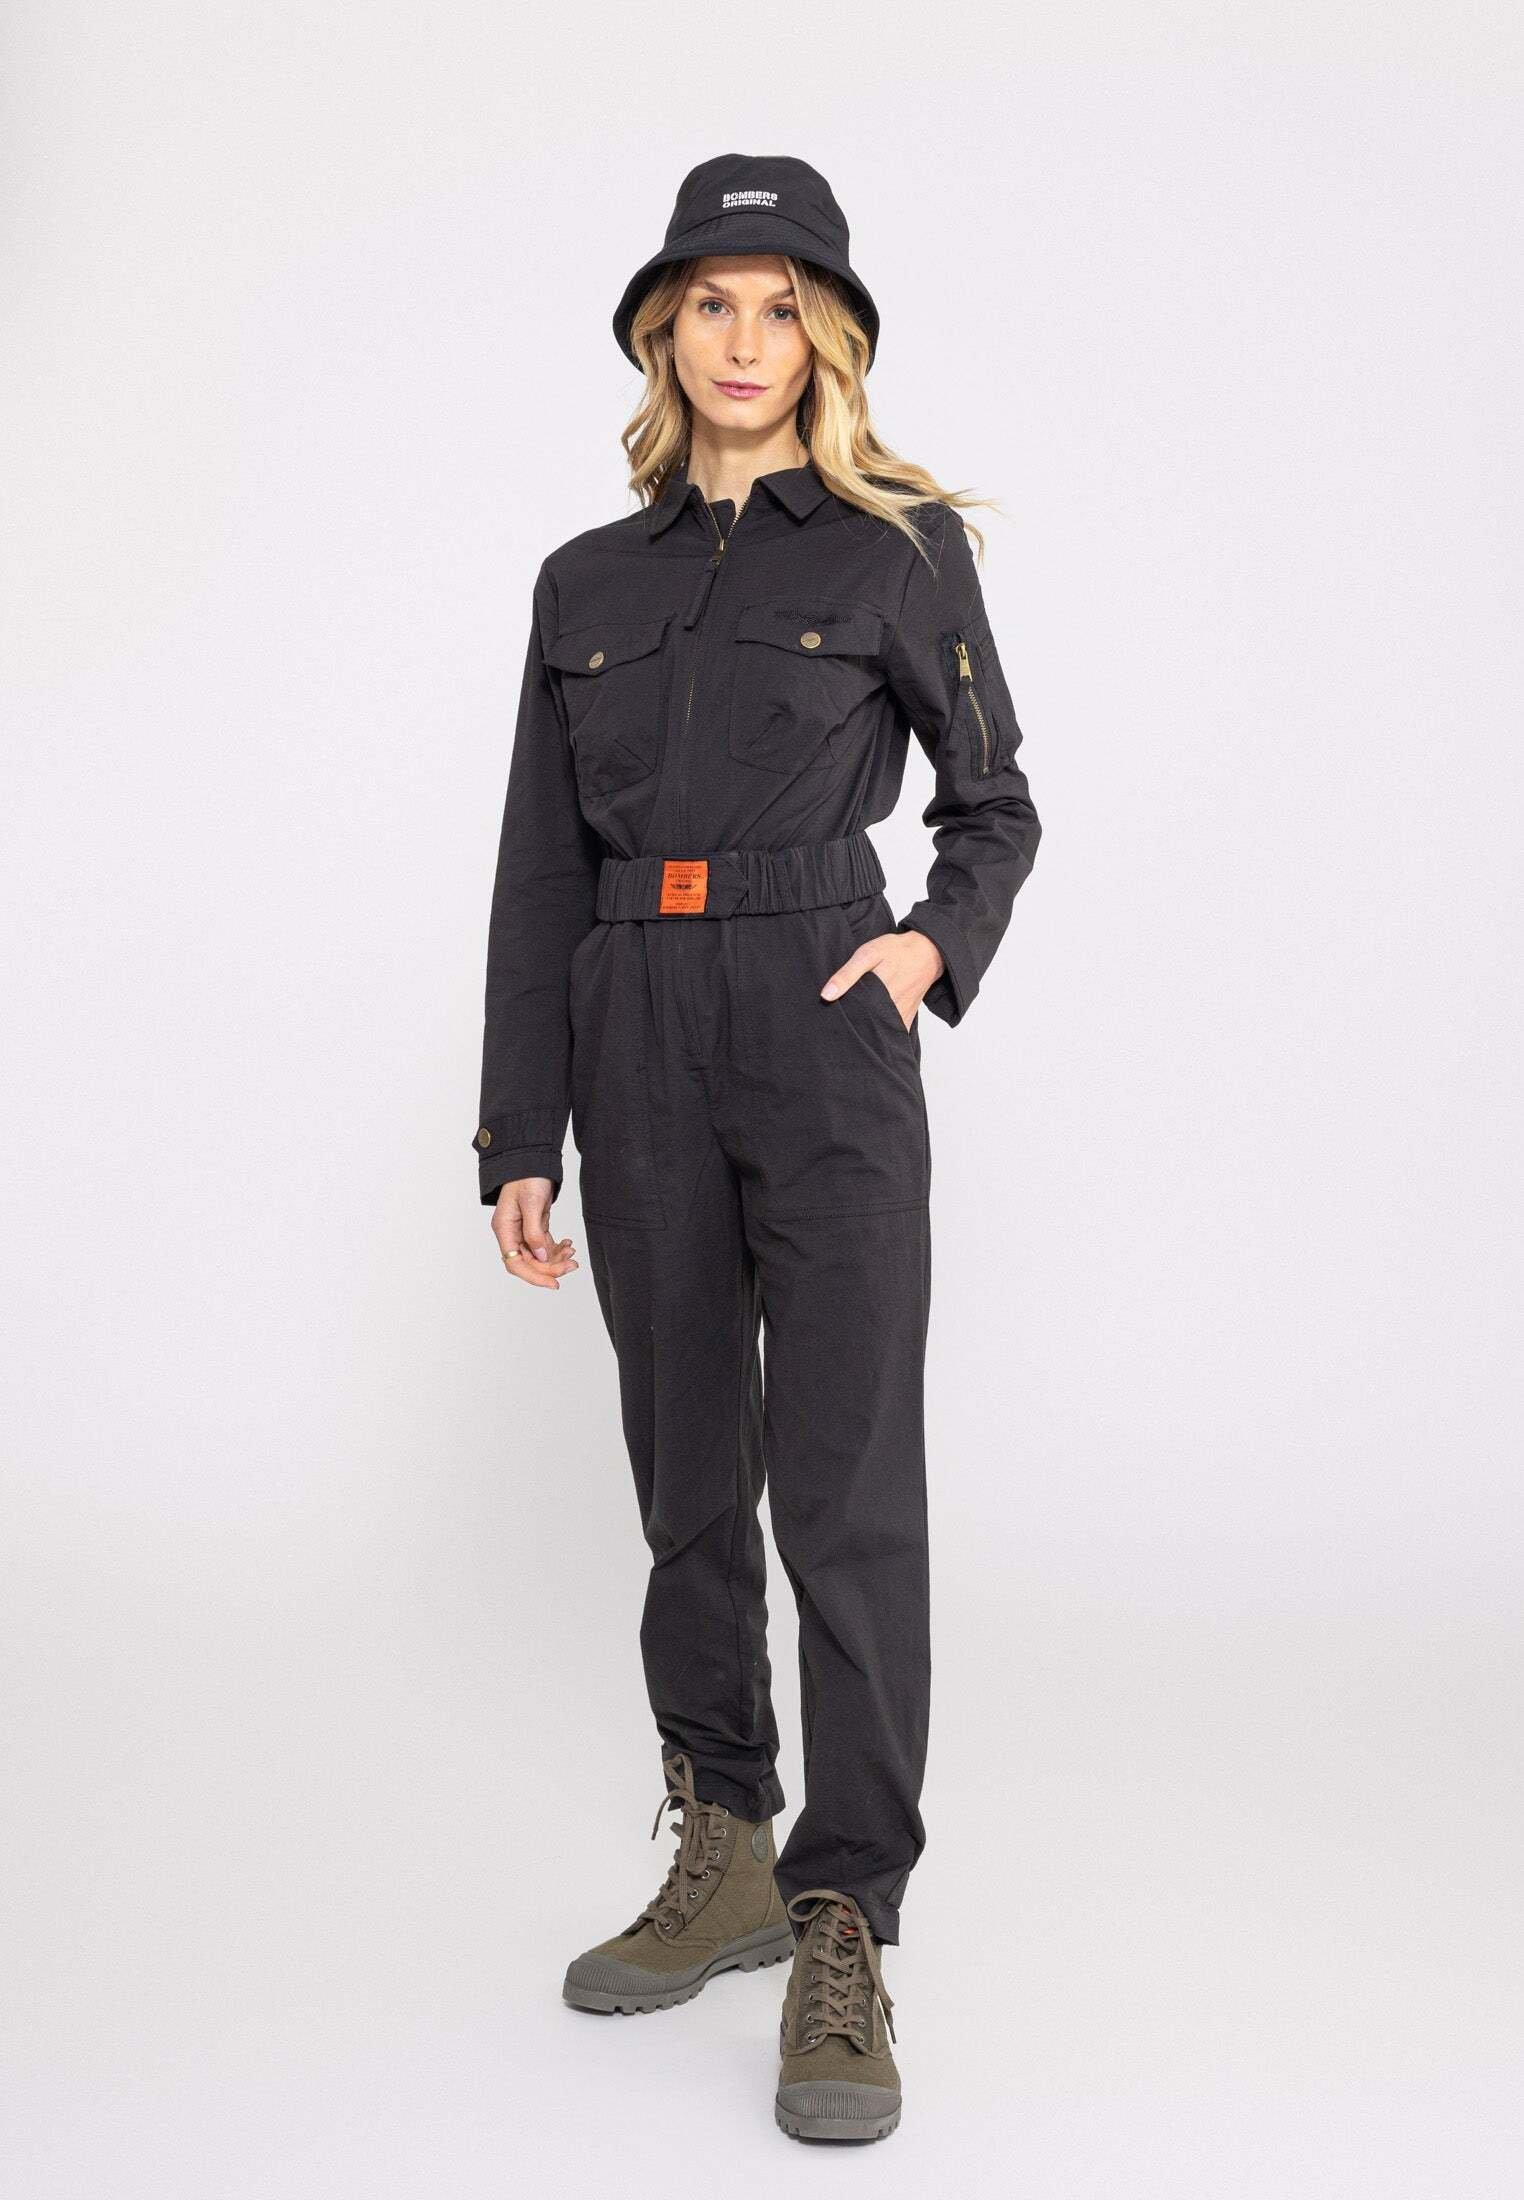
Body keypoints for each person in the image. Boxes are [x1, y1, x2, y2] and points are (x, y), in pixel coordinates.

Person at [472, 152, 1041, 2143]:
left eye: (780, 305)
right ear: (663, 333)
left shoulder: (897, 552)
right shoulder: (585, 583)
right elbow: (539, 869)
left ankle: (844, 1916)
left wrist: (924, 950)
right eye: (710, 303)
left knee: (847, 1483)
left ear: (829, 336)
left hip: (820, 1018)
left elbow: (994, 804)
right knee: (685, 1470)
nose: (743, 339)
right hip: (632, 1021)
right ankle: (722, 1835)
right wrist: (518, 1126)